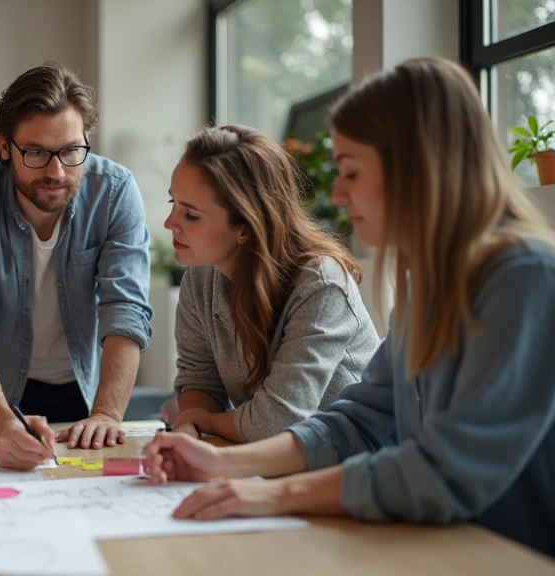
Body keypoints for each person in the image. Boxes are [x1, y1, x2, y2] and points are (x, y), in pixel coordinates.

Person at [144, 57, 555, 558]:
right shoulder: (426, 282)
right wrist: (220, 466)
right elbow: (359, 420)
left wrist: (270, 492)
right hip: (432, 540)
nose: (337, 194)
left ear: (417, 167)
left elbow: (448, 468)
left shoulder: (526, 276)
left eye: (352, 172)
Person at [0, 62, 152, 469]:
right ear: (4, 146)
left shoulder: (115, 191)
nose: (56, 172)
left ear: (87, 139)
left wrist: (107, 414)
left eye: (71, 151)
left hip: (84, 394)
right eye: (35, 152)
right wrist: (2, 424)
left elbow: (125, 310)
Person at [165, 125, 379, 443]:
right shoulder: (202, 276)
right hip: (279, 460)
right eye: (173, 204)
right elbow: (199, 378)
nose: (170, 223)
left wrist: (205, 423)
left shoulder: (321, 284)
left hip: (354, 465)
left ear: (246, 226)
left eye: (191, 215)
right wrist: (190, 430)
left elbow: (277, 421)